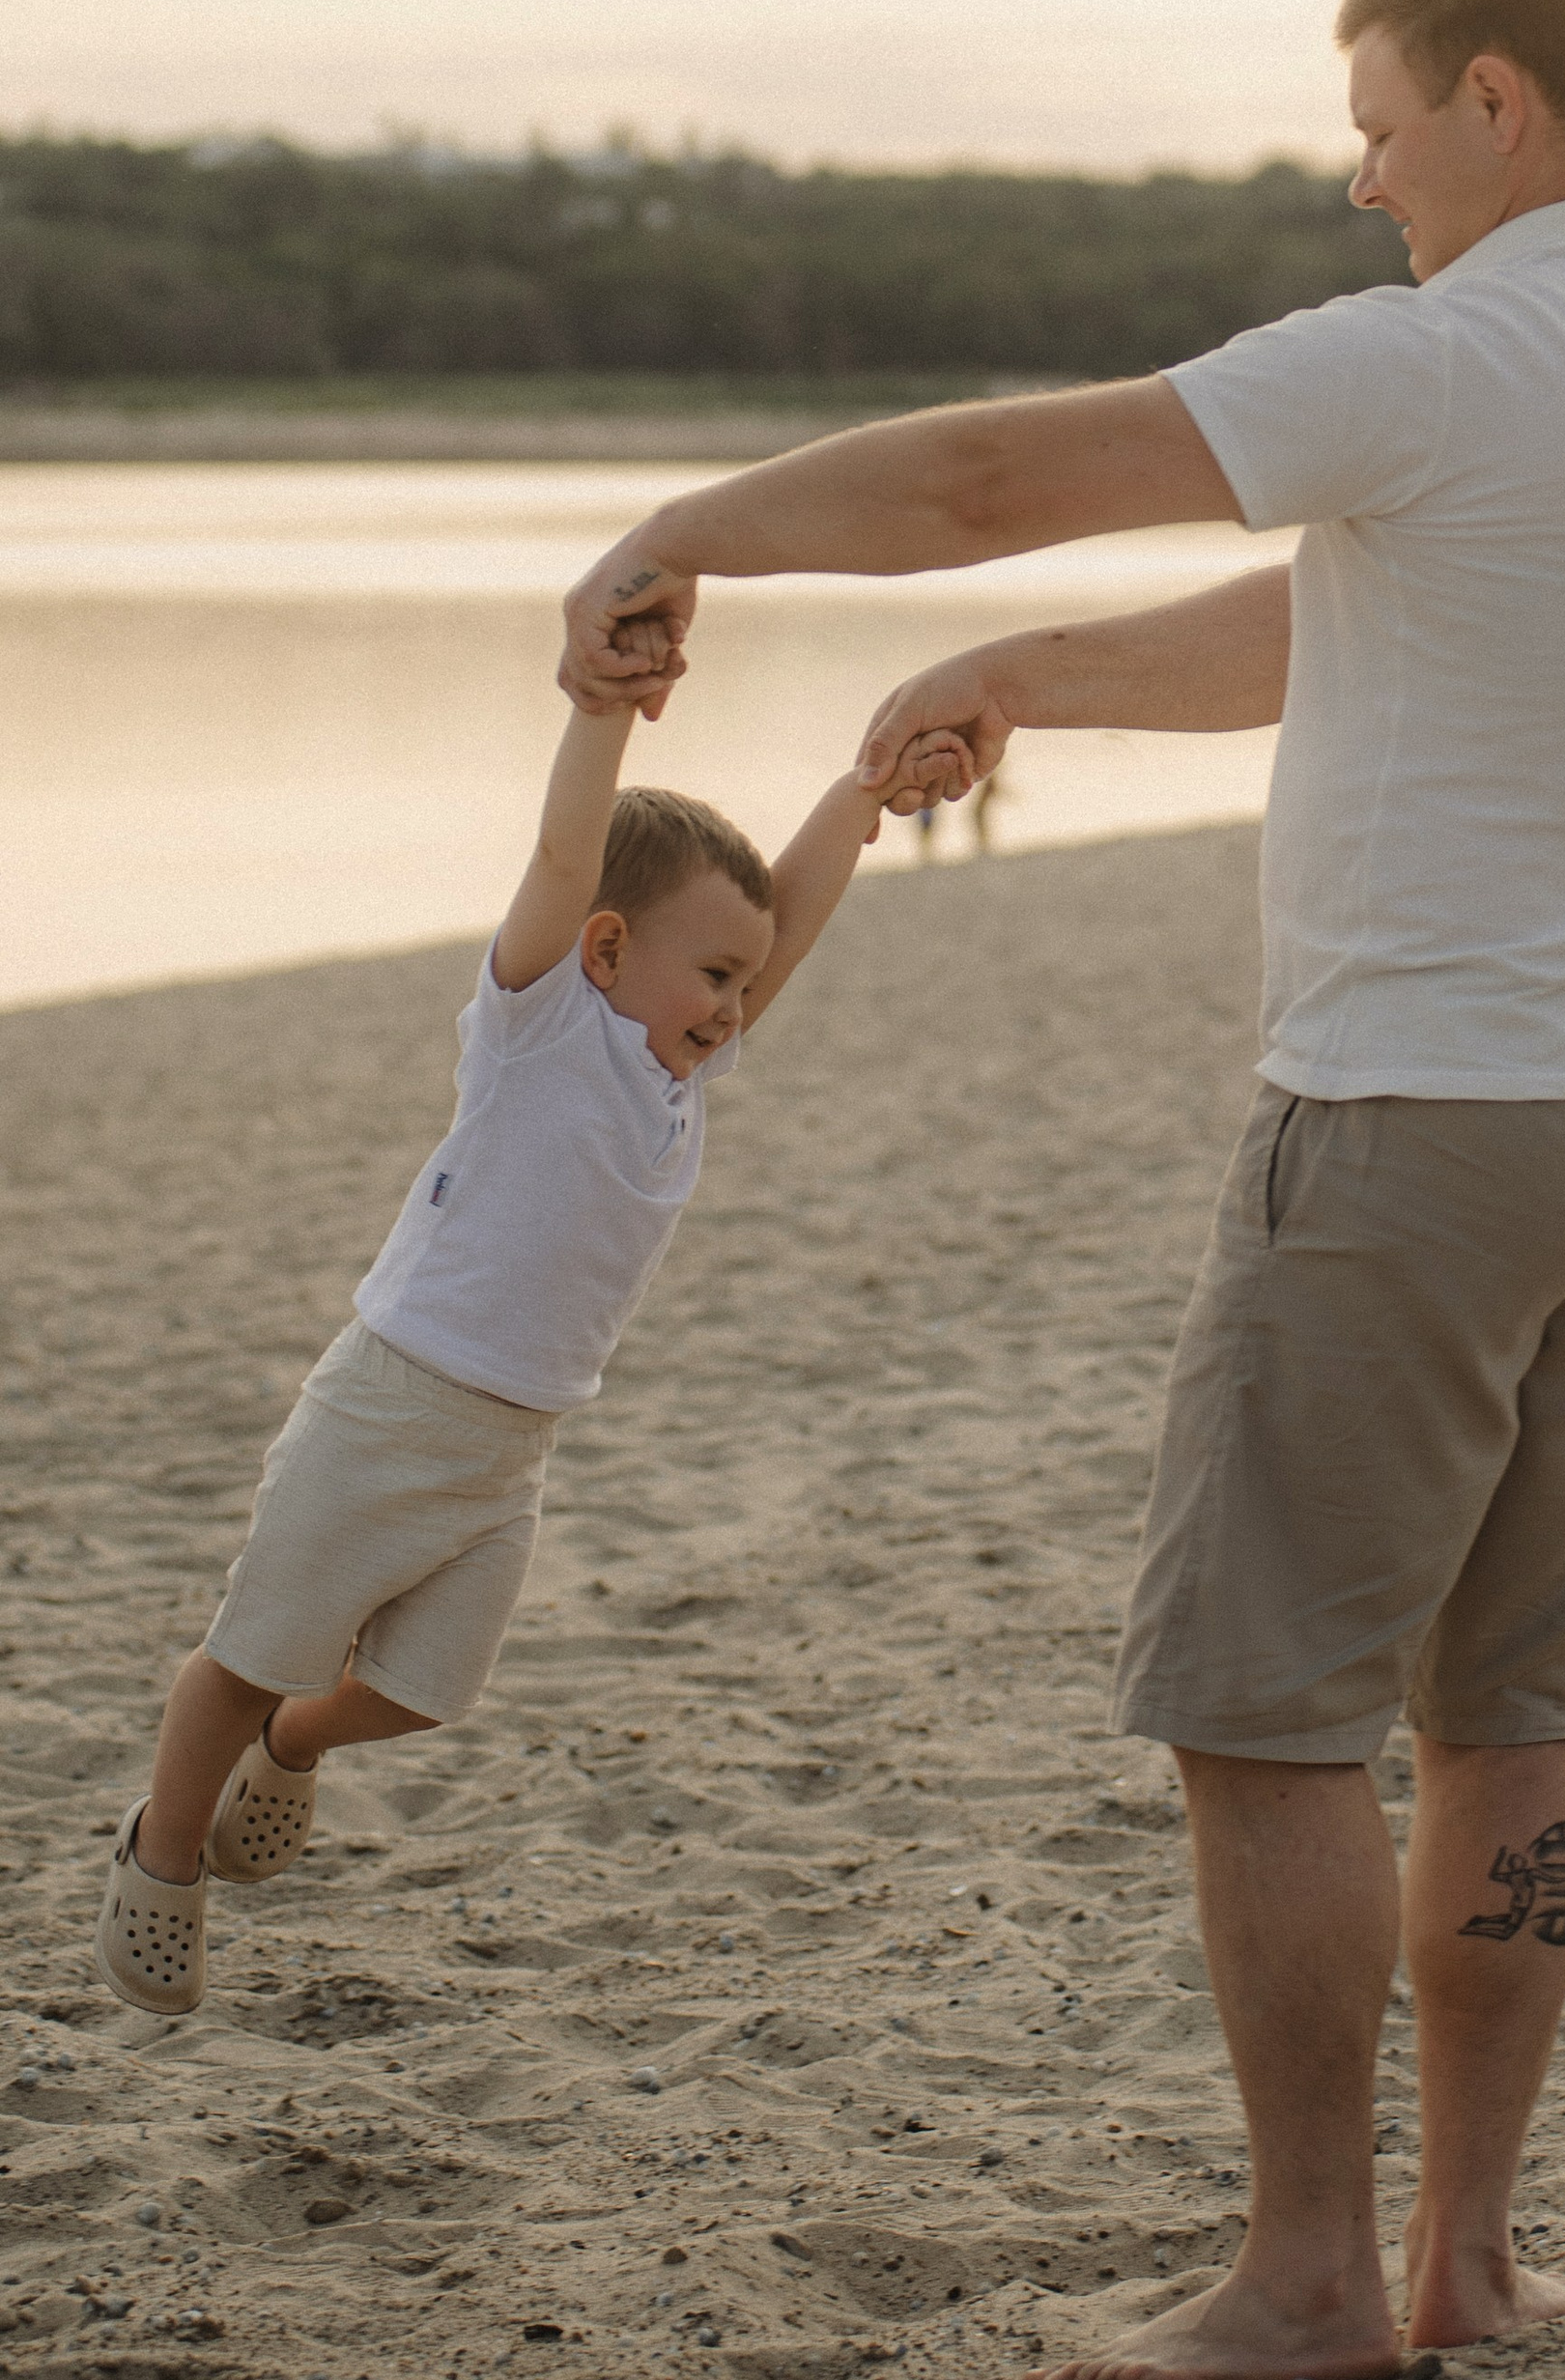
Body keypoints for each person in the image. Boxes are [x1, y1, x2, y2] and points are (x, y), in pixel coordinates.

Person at [556, 0, 1565, 2380]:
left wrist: (680, 532)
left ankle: (1301, 2281)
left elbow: (987, 470)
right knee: (1510, 1712)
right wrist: (1035, 683)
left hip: (1419, 1118)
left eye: (1371, 125)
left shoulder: (1458, 350)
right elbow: (1363, 633)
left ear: (1490, 95)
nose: (1358, 183)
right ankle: (1465, 2257)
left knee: (1262, 1712)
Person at [95, 693, 958, 2017]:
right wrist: (601, 709)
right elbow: (566, 855)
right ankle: (161, 1856)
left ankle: (295, 1744)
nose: (737, 1007)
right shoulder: (541, 1026)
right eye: (714, 977)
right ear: (606, 949)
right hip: (388, 1407)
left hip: (512, 1448)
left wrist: (861, 791)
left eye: (744, 981)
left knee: (423, 1695)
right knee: (249, 1650)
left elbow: (782, 916)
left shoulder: (676, 1075)